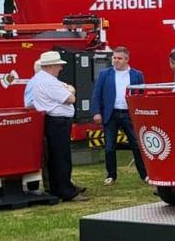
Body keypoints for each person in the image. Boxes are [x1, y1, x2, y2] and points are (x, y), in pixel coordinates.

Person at [30, 51, 85, 201]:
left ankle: (58, 187)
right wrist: (69, 90)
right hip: (57, 121)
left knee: (55, 157)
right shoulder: (49, 82)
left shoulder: (42, 79)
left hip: (53, 120)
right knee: (61, 157)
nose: (61, 68)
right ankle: (66, 191)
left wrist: (69, 89)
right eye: (59, 65)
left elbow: (69, 90)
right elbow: (71, 97)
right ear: (51, 66)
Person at [90, 46, 146, 184]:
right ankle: (111, 175)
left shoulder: (137, 75)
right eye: (114, 58)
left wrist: (142, 112)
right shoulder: (105, 74)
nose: (116, 61)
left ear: (127, 60)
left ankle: (144, 174)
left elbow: (142, 95)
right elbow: (96, 94)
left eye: (119, 58)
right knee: (109, 147)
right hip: (111, 114)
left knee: (136, 145)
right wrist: (96, 112)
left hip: (129, 114)